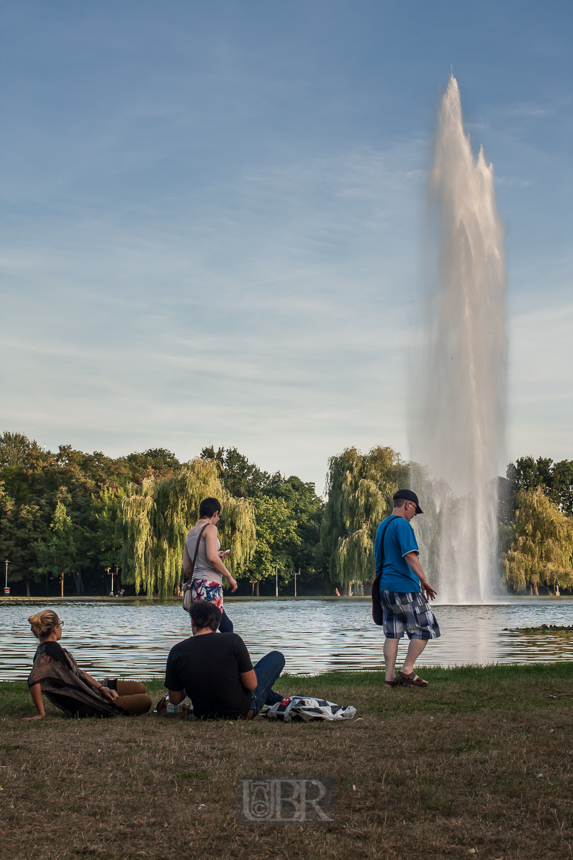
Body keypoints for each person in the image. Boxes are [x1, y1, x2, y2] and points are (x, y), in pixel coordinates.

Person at [165, 600, 285, 720]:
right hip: (241, 711)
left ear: (192, 621)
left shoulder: (177, 651)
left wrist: (189, 681)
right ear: (218, 624)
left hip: (203, 714)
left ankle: (280, 701)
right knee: (276, 657)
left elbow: (175, 699)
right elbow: (252, 684)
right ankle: (282, 702)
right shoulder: (233, 640)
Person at [24, 610, 152, 720]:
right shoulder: (48, 653)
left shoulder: (51, 648)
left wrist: (102, 689)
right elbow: (34, 679)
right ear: (55, 629)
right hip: (85, 703)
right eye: (60, 624)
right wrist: (41, 714)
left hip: (89, 690)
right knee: (146, 701)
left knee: (139, 688)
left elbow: (77, 673)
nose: (61, 627)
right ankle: (111, 702)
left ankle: (111, 695)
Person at [373, 489, 440, 689]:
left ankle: (389, 678)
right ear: (407, 505)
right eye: (415, 511)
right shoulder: (402, 524)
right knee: (426, 627)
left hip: (384, 588)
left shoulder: (383, 525)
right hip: (404, 587)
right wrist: (424, 580)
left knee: (392, 633)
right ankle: (407, 670)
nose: (414, 516)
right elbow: (410, 555)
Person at [183, 497, 237, 633]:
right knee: (219, 628)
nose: (217, 519)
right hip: (210, 586)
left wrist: (215, 558)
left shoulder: (189, 534)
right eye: (218, 516)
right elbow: (212, 558)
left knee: (202, 628)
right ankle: (223, 654)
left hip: (196, 586)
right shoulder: (210, 528)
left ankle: (200, 653)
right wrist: (229, 577)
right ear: (215, 513)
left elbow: (187, 568)